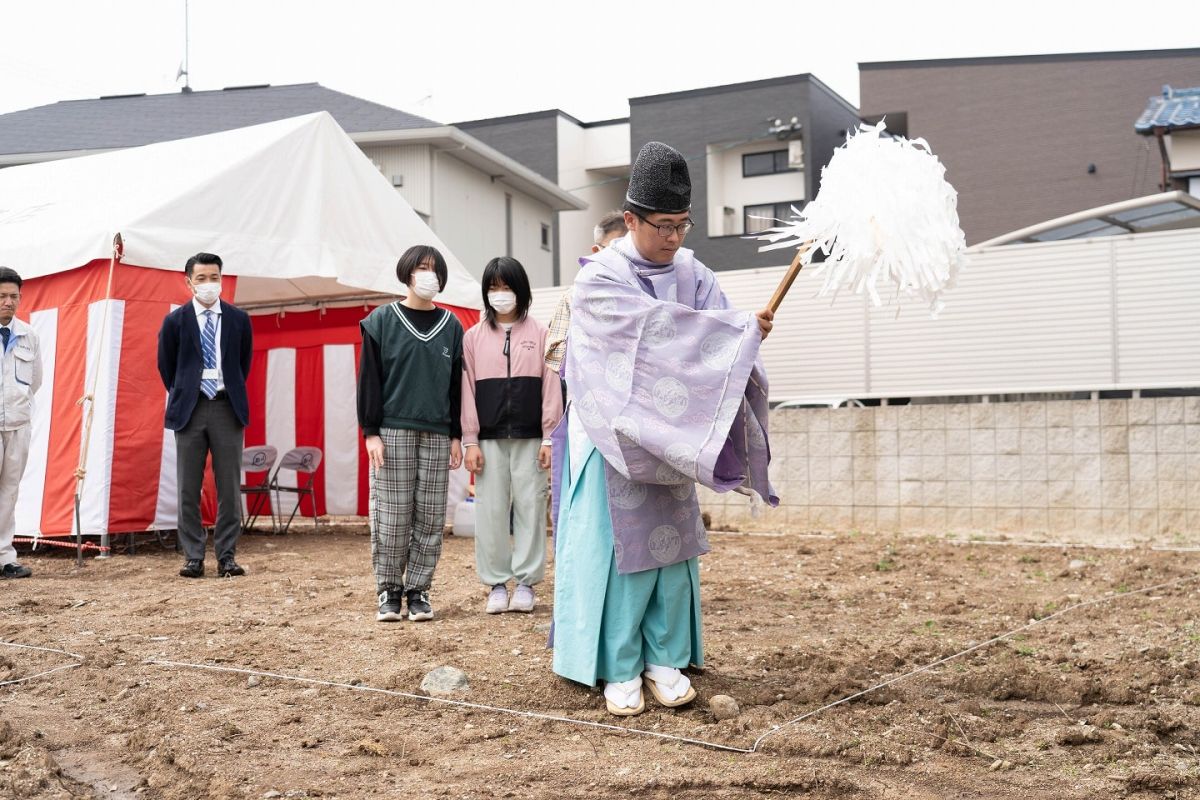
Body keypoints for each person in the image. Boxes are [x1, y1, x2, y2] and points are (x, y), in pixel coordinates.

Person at [552, 141, 777, 716]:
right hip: (612, 437)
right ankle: (618, 665)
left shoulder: (694, 271)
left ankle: (665, 659)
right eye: (663, 226)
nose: (674, 238)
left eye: (682, 225)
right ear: (630, 220)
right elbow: (648, 336)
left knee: (672, 552)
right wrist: (728, 335)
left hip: (673, 434)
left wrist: (744, 337)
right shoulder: (600, 278)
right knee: (617, 552)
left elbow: (712, 334)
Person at [358, 245, 464, 623]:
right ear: (407, 273)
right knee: (392, 513)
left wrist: (456, 435)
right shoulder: (381, 321)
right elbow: (369, 381)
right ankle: (389, 589)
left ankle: (419, 590)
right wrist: (371, 432)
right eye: (422, 268)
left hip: (437, 434)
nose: (428, 275)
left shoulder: (451, 326)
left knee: (431, 516)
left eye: (435, 270)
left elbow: (455, 386)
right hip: (392, 431)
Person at [461, 257, 563, 615]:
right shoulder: (472, 338)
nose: (500, 295)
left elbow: (552, 386)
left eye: (507, 287)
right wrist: (470, 439)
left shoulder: (541, 334)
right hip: (487, 441)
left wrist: (550, 436)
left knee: (531, 509)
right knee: (489, 512)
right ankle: (495, 584)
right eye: (493, 288)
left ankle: (526, 583)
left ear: (521, 291)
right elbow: (466, 390)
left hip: (531, 439)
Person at [157, 253, 253, 579]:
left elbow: (243, 364)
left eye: (214, 277)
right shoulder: (175, 322)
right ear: (188, 283)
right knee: (188, 487)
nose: (209, 284)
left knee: (229, 487)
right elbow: (166, 367)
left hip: (227, 407)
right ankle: (193, 557)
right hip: (191, 409)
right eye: (201, 278)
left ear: (221, 279)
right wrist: (187, 391)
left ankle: (227, 557)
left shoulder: (239, 319)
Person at [543, 211, 628, 375]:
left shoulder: (648, 290)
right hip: (590, 394)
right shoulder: (574, 295)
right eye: (612, 250)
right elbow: (553, 355)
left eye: (625, 249)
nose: (619, 257)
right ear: (596, 250)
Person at [0, 267, 41, 580]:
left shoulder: (29, 335)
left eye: (13, 296)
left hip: (17, 424)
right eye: (2, 296)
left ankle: (4, 557)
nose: (8, 302)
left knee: (9, 492)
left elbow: (35, 381)